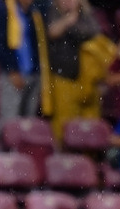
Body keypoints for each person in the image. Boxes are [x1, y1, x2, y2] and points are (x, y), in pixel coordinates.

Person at [45, 0, 114, 141]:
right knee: (63, 124)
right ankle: (63, 153)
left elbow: (96, 35)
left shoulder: (86, 14)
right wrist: (68, 20)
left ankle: (89, 153)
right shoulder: (52, 11)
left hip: (88, 80)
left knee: (90, 123)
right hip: (63, 76)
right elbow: (51, 32)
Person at [0, 0, 49, 130]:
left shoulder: (35, 11)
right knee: (9, 121)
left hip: (33, 74)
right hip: (13, 75)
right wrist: (11, 69)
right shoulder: (3, 9)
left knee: (28, 123)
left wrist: (38, 71)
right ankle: (6, 143)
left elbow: (40, 43)